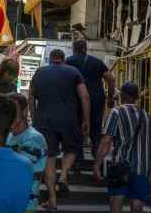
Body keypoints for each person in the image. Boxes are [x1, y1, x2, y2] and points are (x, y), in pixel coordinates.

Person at [29, 49, 91, 211]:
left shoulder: (40, 72)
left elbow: (31, 96)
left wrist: (34, 119)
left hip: (45, 121)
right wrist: (85, 119)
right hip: (69, 120)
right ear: (63, 59)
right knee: (72, 149)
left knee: (49, 159)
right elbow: (84, 96)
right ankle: (63, 174)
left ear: (50, 59)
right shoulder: (73, 71)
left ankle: (52, 200)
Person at [93, 82, 151, 213]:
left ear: (122, 95)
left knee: (116, 199)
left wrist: (97, 164)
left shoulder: (116, 112)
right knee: (137, 203)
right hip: (142, 167)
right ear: (136, 97)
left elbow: (106, 141)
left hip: (120, 165)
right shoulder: (147, 116)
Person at [66, 39, 115, 157]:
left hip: (76, 100)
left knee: (77, 128)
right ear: (85, 49)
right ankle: (96, 156)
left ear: (74, 49)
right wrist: (110, 98)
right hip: (97, 99)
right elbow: (111, 79)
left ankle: (78, 159)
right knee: (96, 128)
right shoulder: (97, 62)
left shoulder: (68, 62)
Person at [6, 93, 47, 213]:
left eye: (13, 110)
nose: (9, 114)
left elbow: (18, 169)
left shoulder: (34, 137)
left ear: (25, 111)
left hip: (24, 204)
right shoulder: (7, 136)